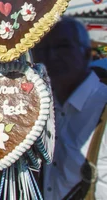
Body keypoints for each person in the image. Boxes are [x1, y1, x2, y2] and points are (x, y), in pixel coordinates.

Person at [32, 17, 107, 199]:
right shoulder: (42, 107)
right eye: (42, 49)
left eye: (63, 47)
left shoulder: (102, 105)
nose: (51, 57)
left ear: (87, 54)